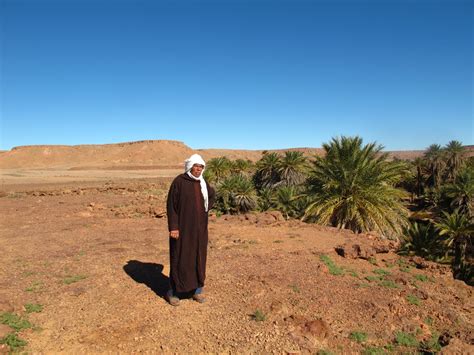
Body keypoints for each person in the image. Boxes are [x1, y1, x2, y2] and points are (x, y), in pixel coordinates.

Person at [166, 153, 215, 306]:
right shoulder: (179, 182)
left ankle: (197, 291)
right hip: (183, 229)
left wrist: (203, 211)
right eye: (196, 166)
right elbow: (171, 206)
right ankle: (173, 292)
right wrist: (174, 227)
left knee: (199, 258)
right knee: (180, 257)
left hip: (200, 230)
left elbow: (211, 198)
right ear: (190, 167)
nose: (198, 169)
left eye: (201, 166)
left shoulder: (203, 183)